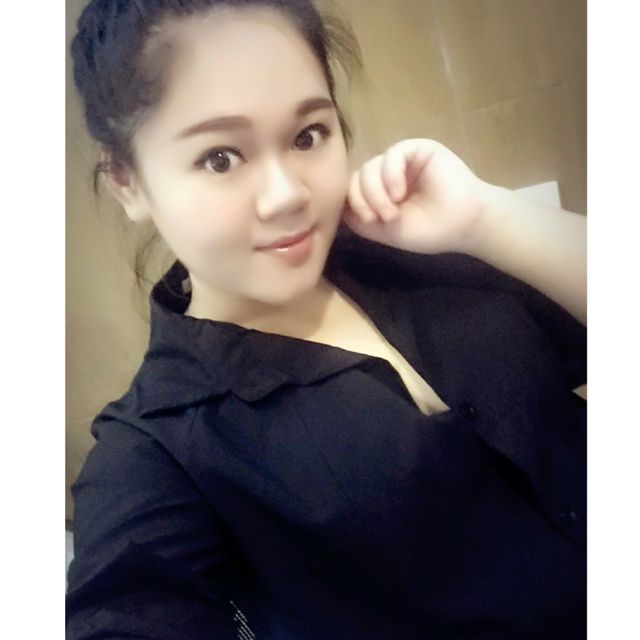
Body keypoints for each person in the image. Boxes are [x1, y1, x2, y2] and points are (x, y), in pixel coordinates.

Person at [66, 1, 587, 638]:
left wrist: (486, 216)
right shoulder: (157, 449)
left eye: (307, 135)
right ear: (126, 181)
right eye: (220, 157)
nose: (288, 194)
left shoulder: (410, 247)